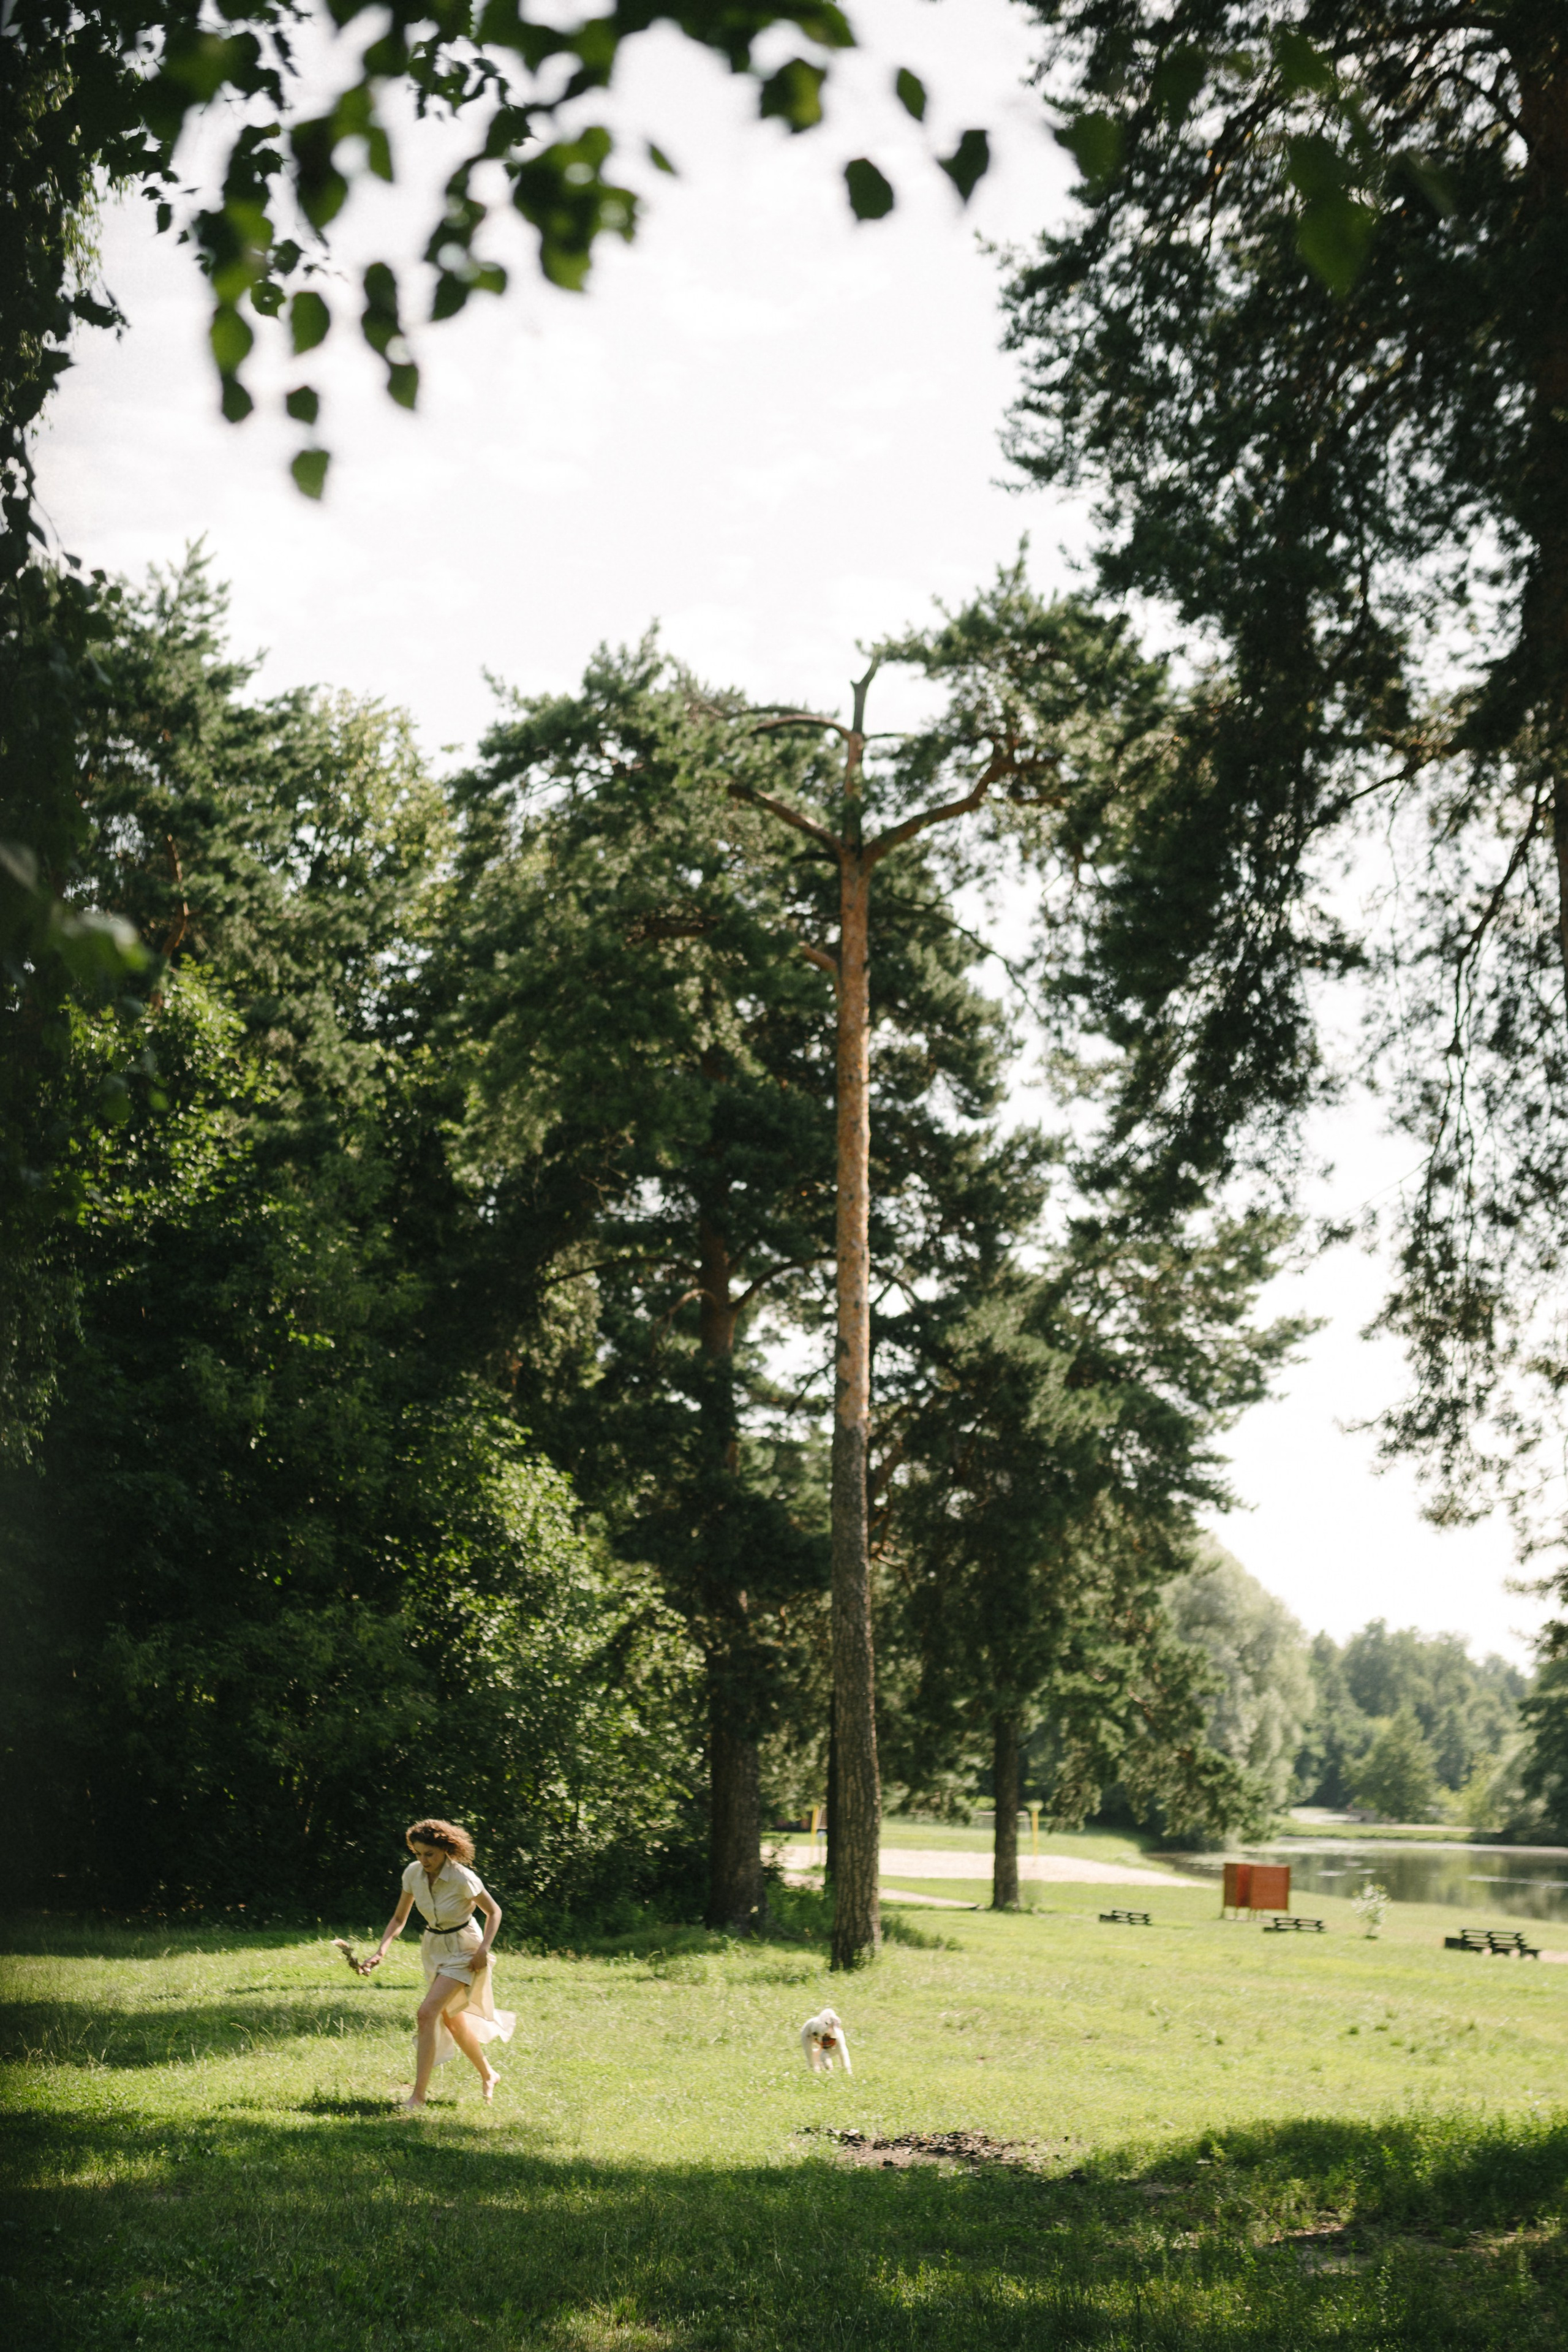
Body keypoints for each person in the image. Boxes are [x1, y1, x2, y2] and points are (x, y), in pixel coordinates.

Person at [366, 1817, 515, 2109]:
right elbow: (399, 1918)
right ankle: (489, 2074)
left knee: (426, 2013)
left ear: (446, 1849)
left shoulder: (463, 1878)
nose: (424, 1860)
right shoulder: (412, 1874)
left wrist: (484, 1949)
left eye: (429, 1854)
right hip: (433, 1948)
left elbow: (494, 1912)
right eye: (418, 1853)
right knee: (452, 2019)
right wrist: (380, 1951)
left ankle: (417, 2098)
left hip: (465, 1949)